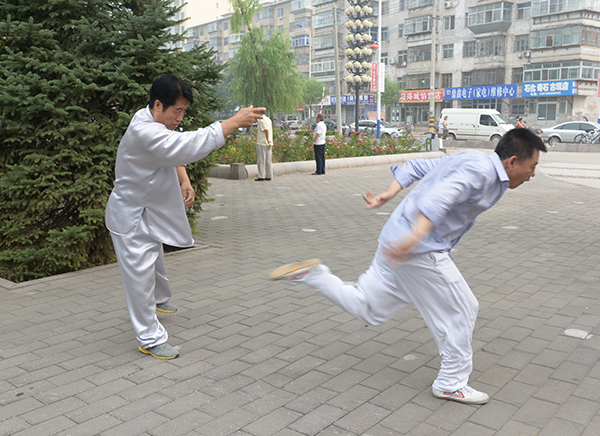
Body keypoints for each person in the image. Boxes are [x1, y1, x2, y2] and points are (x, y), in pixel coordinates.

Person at [270, 128, 546, 404]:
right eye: (531, 166)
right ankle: (451, 382)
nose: (532, 174)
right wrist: (414, 236)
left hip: (395, 242)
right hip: (417, 249)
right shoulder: (481, 173)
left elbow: (418, 166)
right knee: (463, 308)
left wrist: (388, 194)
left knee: (369, 309)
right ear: (512, 161)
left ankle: (316, 276)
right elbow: (440, 198)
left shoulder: (472, 159)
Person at [106, 74, 264, 359]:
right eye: (177, 111)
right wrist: (230, 124)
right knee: (139, 278)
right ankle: (149, 338)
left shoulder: (148, 119)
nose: (180, 117)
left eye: (183, 111)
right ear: (158, 105)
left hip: (145, 212)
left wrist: (184, 179)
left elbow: (169, 147)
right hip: (129, 218)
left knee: (155, 262)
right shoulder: (143, 131)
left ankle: (159, 301)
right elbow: (182, 145)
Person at [255, 110, 274, 181]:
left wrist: (267, 139)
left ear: (260, 113)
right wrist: (269, 140)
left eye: (257, 113)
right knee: (268, 161)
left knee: (261, 160)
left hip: (262, 142)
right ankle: (269, 176)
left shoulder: (261, 120)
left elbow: (266, 130)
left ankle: (261, 176)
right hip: (269, 143)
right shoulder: (268, 119)